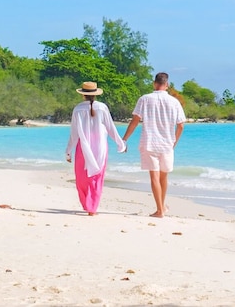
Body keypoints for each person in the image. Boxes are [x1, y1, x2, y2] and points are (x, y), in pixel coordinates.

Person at [121, 72, 186, 218]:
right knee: (164, 177)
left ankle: (160, 210)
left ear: (154, 83)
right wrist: (174, 142)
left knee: (154, 178)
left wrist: (124, 139)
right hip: (167, 145)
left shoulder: (144, 99)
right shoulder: (174, 102)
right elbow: (181, 125)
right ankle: (161, 207)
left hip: (149, 143)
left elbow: (135, 121)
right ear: (167, 85)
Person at [65, 81, 126, 216]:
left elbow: (74, 133)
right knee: (97, 177)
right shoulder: (102, 107)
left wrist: (68, 151)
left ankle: (87, 204)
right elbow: (111, 128)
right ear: (96, 94)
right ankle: (92, 207)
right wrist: (121, 144)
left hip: (83, 147)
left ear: (83, 95)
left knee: (81, 177)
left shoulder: (78, 109)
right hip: (100, 147)